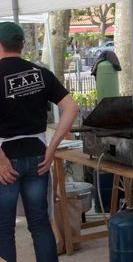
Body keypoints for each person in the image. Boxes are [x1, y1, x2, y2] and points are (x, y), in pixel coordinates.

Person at [0, 22, 79, 262]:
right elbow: (71, 107)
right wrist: (52, 147)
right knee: (39, 223)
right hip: (38, 156)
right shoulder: (40, 73)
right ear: (22, 45)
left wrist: (0, 158)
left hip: (5, 160)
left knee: (3, 229)